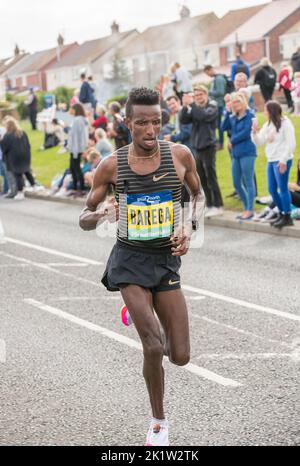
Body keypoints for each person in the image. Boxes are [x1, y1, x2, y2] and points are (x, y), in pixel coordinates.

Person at [79, 87, 204, 447]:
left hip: (165, 261)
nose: (151, 130)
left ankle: (137, 310)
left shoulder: (179, 156)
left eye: (157, 122)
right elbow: (84, 216)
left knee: (179, 355)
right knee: (153, 345)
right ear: (127, 123)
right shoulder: (111, 165)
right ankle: (158, 424)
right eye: (142, 123)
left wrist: (189, 225)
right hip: (129, 261)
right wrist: (103, 213)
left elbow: (198, 195)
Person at [180, 85, 223, 218]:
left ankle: (218, 205)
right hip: (197, 147)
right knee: (202, 178)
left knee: (211, 176)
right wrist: (184, 106)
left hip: (209, 146)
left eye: (200, 95)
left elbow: (204, 117)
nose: (198, 97)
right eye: (196, 95)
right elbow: (184, 120)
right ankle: (210, 205)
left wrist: (192, 104)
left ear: (206, 94)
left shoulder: (212, 106)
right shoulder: (195, 108)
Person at [252, 101, 295, 229]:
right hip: (271, 160)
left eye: (265, 110)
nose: (264, 113)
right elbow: (259, 142)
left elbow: (291, 144)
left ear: (271, 111)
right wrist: (254, 133)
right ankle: (282, 213)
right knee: (272, 189)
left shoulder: (286, 124)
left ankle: (287, 216)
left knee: (282, 188)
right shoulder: (268, 125)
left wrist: (283, 160)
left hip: (282, 160)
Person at [222, 92, 257, 220]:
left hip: (248, 151)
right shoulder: (232, 117)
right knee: (236, 183)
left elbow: (246, 133)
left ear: (243, 102)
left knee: (248, 181)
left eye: (238, 101)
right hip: (236, 153)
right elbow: (223, 127)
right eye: (233, 102)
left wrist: (232, 140)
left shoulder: (250, 115)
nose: (235, 104)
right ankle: (247, 207)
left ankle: (250, 209)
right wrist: (227, 111)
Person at [0, 117, 36, 200]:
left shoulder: (7, 136)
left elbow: (4, 149)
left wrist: (1, 141)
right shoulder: (22, 132)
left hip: (14, 158)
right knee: (27, 171)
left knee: (18, 174)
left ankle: (20, 192)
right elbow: (28, 144)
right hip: (25, 156)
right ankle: (34, 186)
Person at [67, 103, 89, 196]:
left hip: (76, 149)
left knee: (76, 169)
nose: (70, 111)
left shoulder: (77, 120)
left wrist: (75, 150)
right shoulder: (81, 120)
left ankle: (80, 189)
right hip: (78, 148)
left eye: (72, 109)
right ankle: (75, 188)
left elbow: (76, 137)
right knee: (73, 168)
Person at [203, 65, 227, 150]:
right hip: (217, 104)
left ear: (210, 70)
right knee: (216, 125)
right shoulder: (216, 78)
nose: (208, 75)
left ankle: (220, 144)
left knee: (219, 125)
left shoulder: (219, 79)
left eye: (207, 73)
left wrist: (208, 92)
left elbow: (220, 92)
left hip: (219, 105)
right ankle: (218, 143)